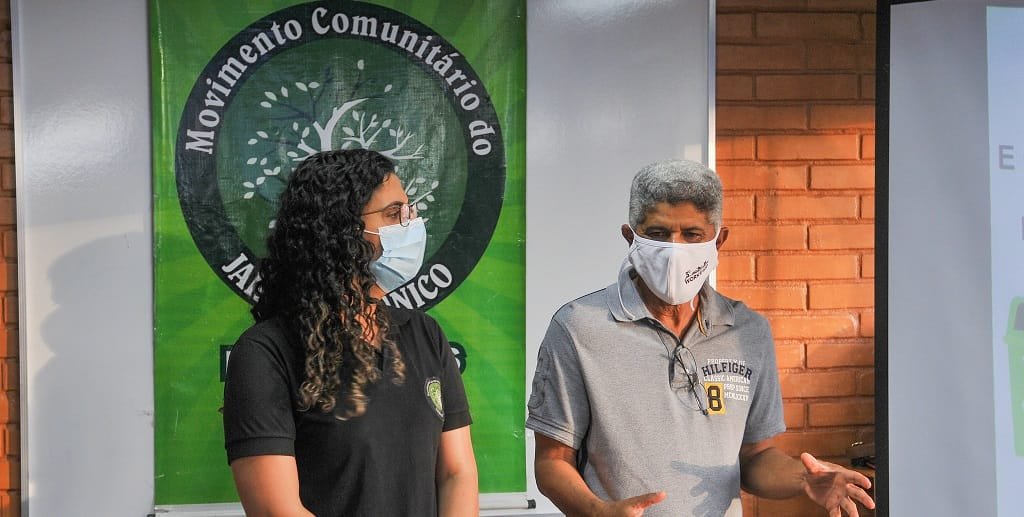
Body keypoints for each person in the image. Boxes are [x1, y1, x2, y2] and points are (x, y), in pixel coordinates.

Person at [526, 159, 875, 517]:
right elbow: (552, 462)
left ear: (718, 240)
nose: (675, 249)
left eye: (692, 234)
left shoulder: (748, 332)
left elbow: (754, 457)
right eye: (658, 234)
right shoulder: (579, 328)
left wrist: (803, 479)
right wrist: (597, 512)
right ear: (631, 237)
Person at [222, 149, 478, 516]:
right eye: (393, 215)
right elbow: (276, 511)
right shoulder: (268, 352)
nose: (409, 226)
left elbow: (457, 472)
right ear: (338, 229)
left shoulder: (424, 334)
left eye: (409, 212)